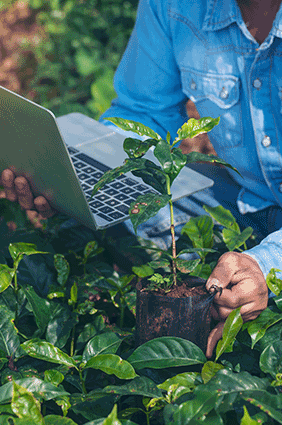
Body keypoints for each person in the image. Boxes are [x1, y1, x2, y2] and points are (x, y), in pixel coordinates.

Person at [2, 0, 282, 358]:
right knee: (127, 209)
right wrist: (77, 179)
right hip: (247, 197)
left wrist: (269, 265)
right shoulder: (174, 5)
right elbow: (143, 111)